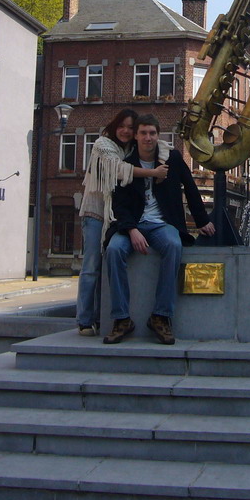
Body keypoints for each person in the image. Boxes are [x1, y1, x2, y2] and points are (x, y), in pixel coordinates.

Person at [103, 114, 215, 345]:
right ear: (136, 136)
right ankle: (122, 318)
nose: (148, 137)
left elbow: (191, 188)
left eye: (152, 133)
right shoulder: (127, 162)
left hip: (162, 224)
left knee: (174, 245)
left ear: (158, 135)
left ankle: (161, 316)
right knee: (114, 250)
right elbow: (119, 204)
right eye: (143, 133)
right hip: (132, 225)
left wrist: (202, 220)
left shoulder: (171, 158)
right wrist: (131, 230)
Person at [75, 109, 168, 336]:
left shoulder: (130, 148)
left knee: (107, 265)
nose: (126, 131)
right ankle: (85, 320)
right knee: (91, 266)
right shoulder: (102, 144)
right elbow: (118, 170)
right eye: (122, 126)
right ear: (114, 126)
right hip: (96, 212)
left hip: (114, 216)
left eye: (130, 127)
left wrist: (163, 157)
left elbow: (162, 145)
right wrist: (153, 173)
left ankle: (99, 316)